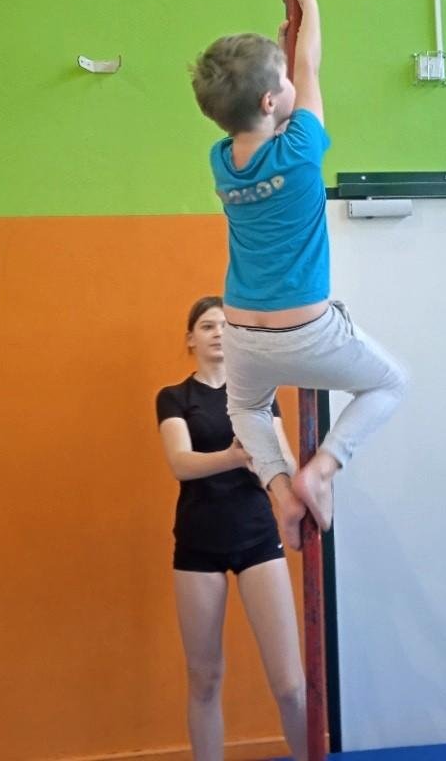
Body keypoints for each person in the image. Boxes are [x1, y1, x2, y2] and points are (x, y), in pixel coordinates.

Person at [190, 0, 410, 551]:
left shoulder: (221, 160)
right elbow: (309, 69)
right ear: (270, 101)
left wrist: (279, 57)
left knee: (247, 409)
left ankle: (281, 487)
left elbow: (280, 102)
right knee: (390, 383)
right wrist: (309, 6)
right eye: (282, 81)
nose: (293, 81)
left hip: (243, 332)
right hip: (307, 332)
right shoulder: (303, 149)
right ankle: (323, 470)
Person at [156, 296, 307, 761]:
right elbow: (181, 464)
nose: (218, 332)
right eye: (207, 326)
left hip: (257, 537)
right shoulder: (174, 397)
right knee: (204, 679)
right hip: (198, 544)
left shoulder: (258, 394)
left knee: (290, 684)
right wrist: (237, 456)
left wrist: (295, 475)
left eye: (226, 325)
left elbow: (284, 462)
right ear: (190, 339)